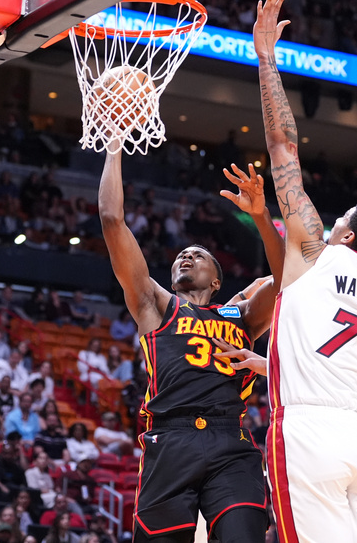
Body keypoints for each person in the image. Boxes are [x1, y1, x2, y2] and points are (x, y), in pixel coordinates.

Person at [216, 0, 357, 543]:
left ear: (344, 233)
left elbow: (282, 146)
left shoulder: (316, 250)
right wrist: (262, 361)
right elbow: (355, 376)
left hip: (308, 436)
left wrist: (267, 60)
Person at [98, 122, 283, 542]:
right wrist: (114, 144)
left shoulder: (243, 316)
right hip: (171, 438)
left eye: (197, 255)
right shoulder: (156, 304)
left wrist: (260, 216)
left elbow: (287, 275)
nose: (186, 256)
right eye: (182, 254)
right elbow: (111, 219)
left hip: (231, 441)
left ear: (217, 281)